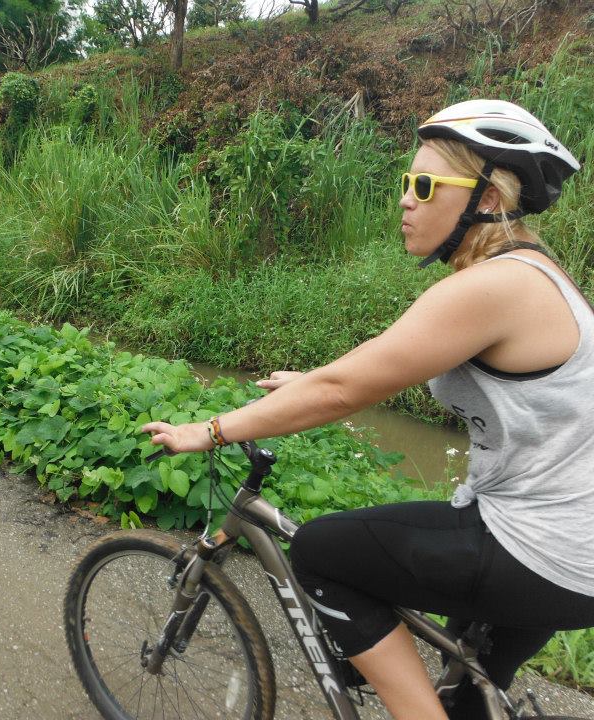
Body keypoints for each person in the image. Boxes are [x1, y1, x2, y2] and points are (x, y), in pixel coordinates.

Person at [141, 99, 594, 720]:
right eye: (407, 182)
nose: (406, 200)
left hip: (543, 546)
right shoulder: (528, 274)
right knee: (467, 692)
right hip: (569, 548)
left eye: (425, 185)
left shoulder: (497, 286)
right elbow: (381, 363)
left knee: (322, 554)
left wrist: (211, 430)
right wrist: (314, 380)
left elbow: (344, 391)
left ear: (487, 199)